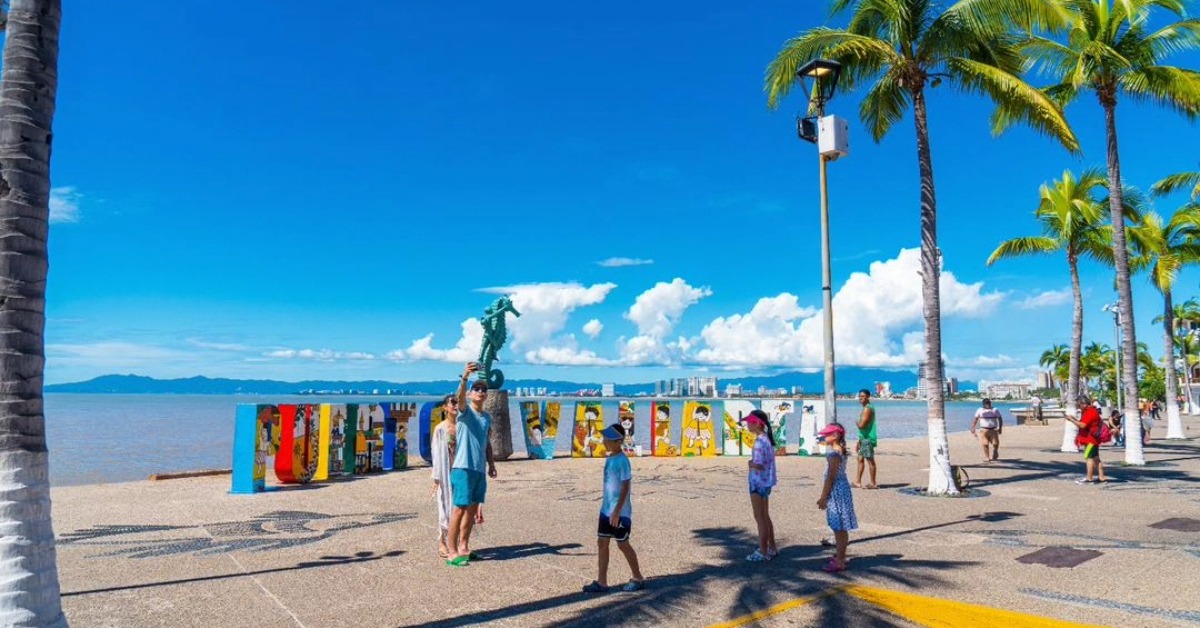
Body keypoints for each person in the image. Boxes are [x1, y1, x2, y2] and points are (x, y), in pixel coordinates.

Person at [445, 362, 498, 567]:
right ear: (469, 394)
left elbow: (487, 443)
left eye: (483, 389)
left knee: (472, 510)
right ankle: (451, 552)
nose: (480, 391)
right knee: (459, 509)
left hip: (479, 470)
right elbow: (459, 398)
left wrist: (491, 464)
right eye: (476, 389)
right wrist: (465, 377)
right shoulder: (464, 412)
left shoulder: (486, 418)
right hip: (463, 468)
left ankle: (464, 547)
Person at [583, 424, 646, 593]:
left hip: (620, 512)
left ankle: (637, 577)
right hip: (606, 510)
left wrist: (617, 511)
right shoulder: (610, 458)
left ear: (618, 441)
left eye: (608, 439)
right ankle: (602, 581)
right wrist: (609, 509)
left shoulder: (623, 461)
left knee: (622, 544)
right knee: (602, 543)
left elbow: (626, 486)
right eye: (604, 438)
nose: (604, 441)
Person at [816, 423, 857, 573]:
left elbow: (830, 478)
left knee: (838, 527)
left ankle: (840, 560)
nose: (823, 437)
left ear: (835, 436)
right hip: (841, 489)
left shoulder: (834, 454)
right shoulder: (840, 451)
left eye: (827, 434)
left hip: (836, 492)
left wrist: (823, 497)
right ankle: (841, 556)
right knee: (840, 527)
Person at [743, 410, 778, 562]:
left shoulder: (759, 443)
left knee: (759, 517)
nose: (747, 424)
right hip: (767, 482)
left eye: (749, 422)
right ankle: (772, 546)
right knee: (765, 515)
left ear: (757, 424)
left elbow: (759, 465)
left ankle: (763, 550)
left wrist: (750, 464)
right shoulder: (767, 440)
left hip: (757, 483)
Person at [431, 394, 458, 558]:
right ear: (445, 407)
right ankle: (442, 541)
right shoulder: (440, 428)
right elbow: (435, 453)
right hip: (444, 472)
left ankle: (456, 543)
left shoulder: (462, 426)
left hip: (460, 471)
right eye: (452, 402)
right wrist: (436, 477)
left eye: (457, 402)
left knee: (458, 508)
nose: (455, 405)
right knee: (444, 508)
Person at [1065, 393, 1109, 485]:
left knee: (1089, 458)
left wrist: (1072, 420)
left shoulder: (1090, 412)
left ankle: (1089, 479)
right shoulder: (1091, 411)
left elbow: (1083, 425)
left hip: (1091, 441)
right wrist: (1074, 419)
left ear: (1083, 404)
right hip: (1093, 439)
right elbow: (1084, 422)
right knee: (1096, 458)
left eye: (1079, 405)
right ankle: (1102, 477)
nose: (1078, 407)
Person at [853, 389, 878, 489]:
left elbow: (862, 425)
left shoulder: (867, 408)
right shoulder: (867, 408)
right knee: (860, 459)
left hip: (867, 439)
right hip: (863, 438)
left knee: (870, 460)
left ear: (868, 397)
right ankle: (858, 482)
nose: (860, 398)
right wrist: (859, 440)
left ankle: (873, 483)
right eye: (859, 396)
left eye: (863, 396)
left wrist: (857, 423)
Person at [970, 398, 1004, 462]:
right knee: (985, 444)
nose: (988, 404)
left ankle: (995, 451)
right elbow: (975, 419)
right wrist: (973, 428)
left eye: (989, 403)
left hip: (993, 429)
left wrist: (1000, 428)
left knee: (995, 443)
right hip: (984, 429)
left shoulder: (995, 410)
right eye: (986, 403)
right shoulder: (980, 410)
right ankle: (987, 457)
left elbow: (1000, 419)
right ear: (983, 404)